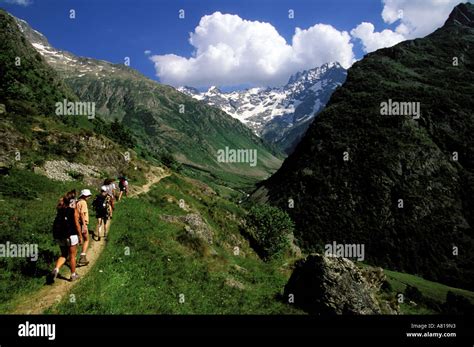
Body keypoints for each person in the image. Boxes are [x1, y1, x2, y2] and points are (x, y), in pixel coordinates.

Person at [48, 190, 82, 283]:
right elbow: (77, 224)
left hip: (61, 236)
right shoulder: (72, 211)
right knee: (72, 256)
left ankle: (56, 269)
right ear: (72, 201)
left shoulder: (60, 210)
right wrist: (80, 236)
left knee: (63, 255)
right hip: (71, 236)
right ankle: (73, 274)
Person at [77, 189, 92, 266]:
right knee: (86, 240)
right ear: (84, 196)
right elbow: (82, 214)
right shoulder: (83, 202)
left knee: (78, 240)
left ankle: (74, 258)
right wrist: (84, 225)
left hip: (77, 223)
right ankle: (82, 257)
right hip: (82, 223)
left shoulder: (77, 202)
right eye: (88, 195)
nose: (89, 197)